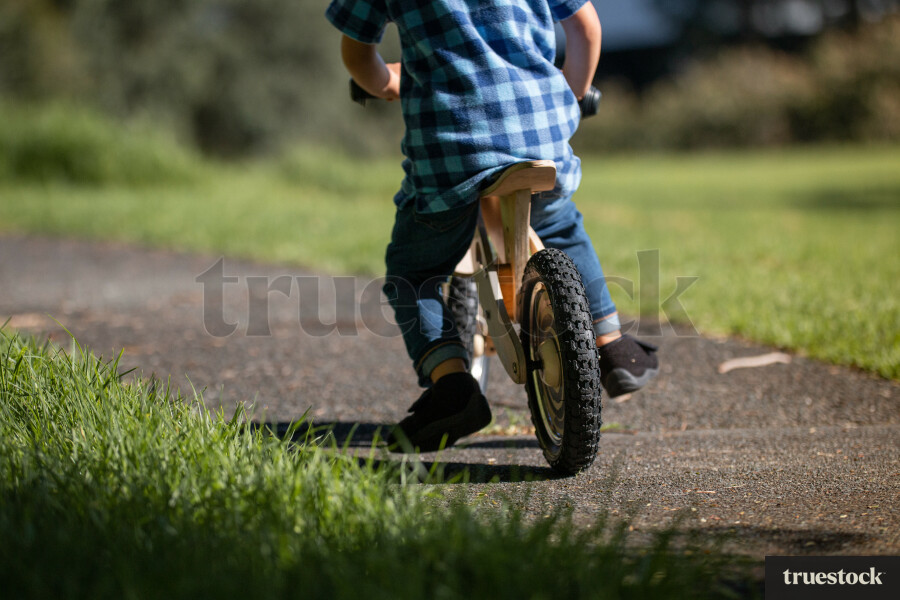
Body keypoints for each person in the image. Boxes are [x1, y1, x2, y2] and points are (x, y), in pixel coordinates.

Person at [326, 0, 658, 452]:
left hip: (453, 154)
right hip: (539, 136)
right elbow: (585, 29)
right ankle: (612, 343)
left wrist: (386, 84)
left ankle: (451, 385)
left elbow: (357, 52)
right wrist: (571, 96)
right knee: (560, 226)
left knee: (413, 272)